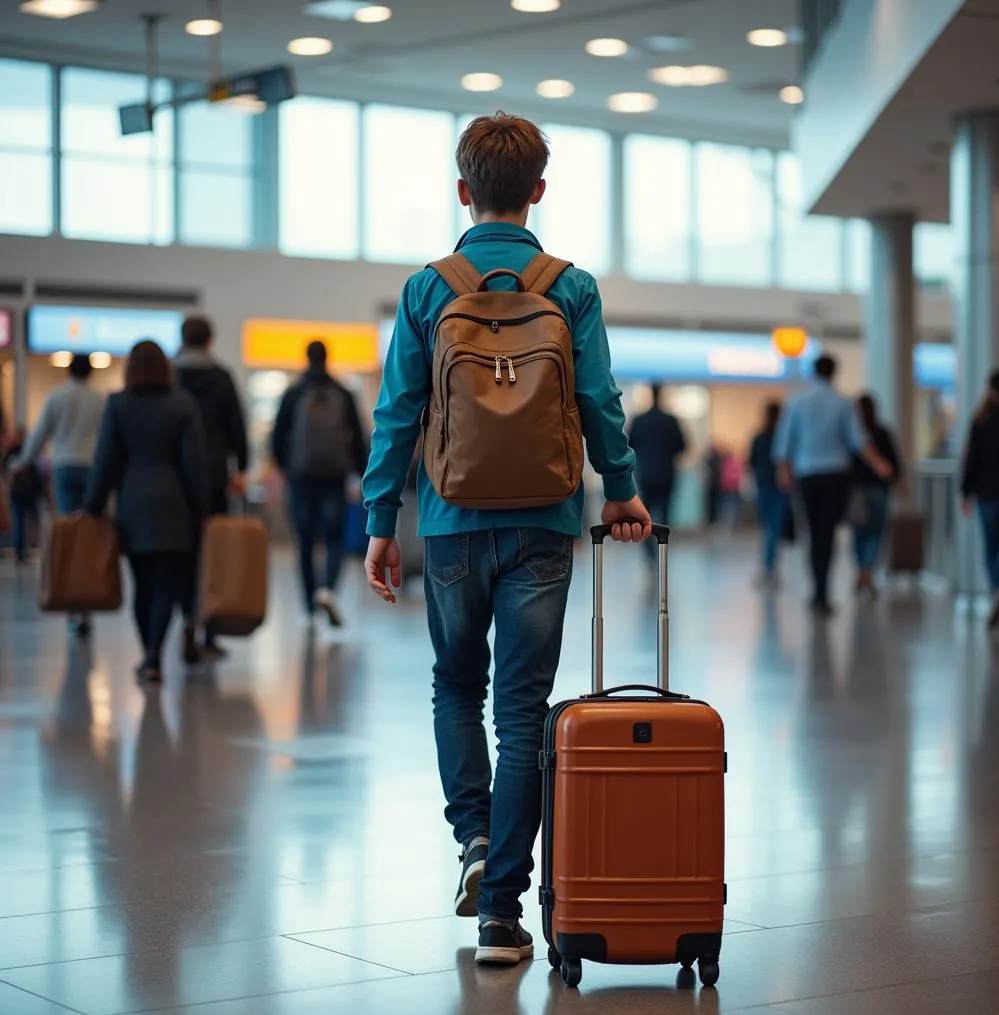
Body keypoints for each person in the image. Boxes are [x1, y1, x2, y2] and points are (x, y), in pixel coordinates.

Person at [360, 112, 650, 967]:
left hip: (449, 524)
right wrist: (623, 491)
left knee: (457, 686)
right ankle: (501, 915)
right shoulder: (571, 287)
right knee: (522, 709)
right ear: (538, 191)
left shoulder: (427, 289)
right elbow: (597, 400)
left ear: (463, 191)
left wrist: (382, 522)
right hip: (544, 522)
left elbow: (397, 415)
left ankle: (475, 841)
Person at [85, 340, 207, 684]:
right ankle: (155, 652)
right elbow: (195, 464)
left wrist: (93, 505)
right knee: (167, 584)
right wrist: (202, 508)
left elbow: (105, 461)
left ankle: (149, 655)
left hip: (133, 504)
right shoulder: (183, 405)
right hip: (175, 505)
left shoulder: (119, 404)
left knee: (142, 584)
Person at [773, 354, 892, 616]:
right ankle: (823, 592)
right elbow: (859, 441)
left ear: (813, 372)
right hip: (837, 476)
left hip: (807, 474)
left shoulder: (797, 401)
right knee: (828, 532)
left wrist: (784, 471)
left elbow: (785, 441)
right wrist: (879, 463)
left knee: (814, 532)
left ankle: (817, 590)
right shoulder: (843, 403)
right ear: (834, 373)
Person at [271, 340, 368, 628]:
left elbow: (277, 437)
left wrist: (286, 467)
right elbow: (358, 437)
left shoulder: (294, 393)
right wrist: (360, 473)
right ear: (327, 358)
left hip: (301, 477)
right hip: (335, 476)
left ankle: (309, 605)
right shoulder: (342, 393)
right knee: (334, 537)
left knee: (305, 539)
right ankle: (327, 590)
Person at [173, 314, 250, 663]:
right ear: (209, 341)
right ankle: (210, 630)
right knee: (214, 553)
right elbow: (236, 425)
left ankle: (186, 619)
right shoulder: (220, 377)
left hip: (177, 480)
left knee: (183, 553)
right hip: (216, 476)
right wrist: (242, 467)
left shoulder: (169, 376)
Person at [14, 352, 106, 632]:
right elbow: (108, 439)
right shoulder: (99, 400)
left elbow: (40, 433)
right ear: (91, 372)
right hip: (92, 469)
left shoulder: (57, 397)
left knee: (68, 534)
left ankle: (72, 604)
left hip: (65, 466)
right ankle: (87, 603)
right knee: (88, 535)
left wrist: (23, 461)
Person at [961, 369, 999, 630]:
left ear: (991, 390)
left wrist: (965, 491)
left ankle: (998, 588)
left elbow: (972, 459)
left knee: (991, 549)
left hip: (988, 494)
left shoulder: (982, 420)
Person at [850, 394, 902, 597]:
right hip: (879, 489)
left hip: (857, 491)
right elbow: (894, 461)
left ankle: (862, 570)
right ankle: (868, 572)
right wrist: (897, 480)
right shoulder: (882, 433)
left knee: (859, 533)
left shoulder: (853, 436)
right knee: (875, 533)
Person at [628, 383, 687, 557]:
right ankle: (663, 549)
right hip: (667, 474)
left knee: (645, 515)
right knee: (666, 513)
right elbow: (682, 445)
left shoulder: (639, 420)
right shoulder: (670, 420)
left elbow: (630, 445)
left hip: (645, 474)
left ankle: (649, 554)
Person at [749, 401, 787, 587]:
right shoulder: (782, 437)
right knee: (774, 528)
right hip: (779, 488)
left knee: (768, 529)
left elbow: (752, 462)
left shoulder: (760, 437)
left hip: (763, 486)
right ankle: (770, 567)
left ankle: (768, 567)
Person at [3, 426, 44, 565]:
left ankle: (20, 552)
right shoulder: (30, 453)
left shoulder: (11, 454)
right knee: (35, 522)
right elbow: (37, 474)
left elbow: (6, 474)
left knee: (19, 522)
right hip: (29, 493)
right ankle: (39, 549)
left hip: (17, 492)